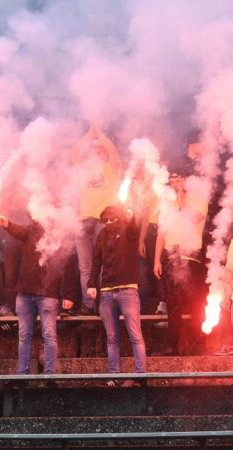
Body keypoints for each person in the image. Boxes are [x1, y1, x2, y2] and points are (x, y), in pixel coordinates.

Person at [0, 214, 75, 375]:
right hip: (25, 293)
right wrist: (7, 224)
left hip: (48, 294)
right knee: (24, 336)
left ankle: (50, 375)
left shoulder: (58, 235)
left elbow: (67, 266)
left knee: (49, 335)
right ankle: (22, 374)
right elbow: (18, 230)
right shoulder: (31, 230)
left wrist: (69, 294)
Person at [87, 205, 146, 385]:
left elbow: (134, 228)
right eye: (106, 220)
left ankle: (140, 375)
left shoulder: (128, 230)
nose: (109, 223)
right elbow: (96, 261)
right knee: (112, 337)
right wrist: (91, 284)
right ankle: (114, 375)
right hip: (106, 292)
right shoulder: (102, 235)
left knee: (135, 335)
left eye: (113, 219)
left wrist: (130, 217)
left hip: (127, 290)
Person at [154, 169, 208, 355]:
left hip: (191, 257)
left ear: (186, 180)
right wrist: (156, 261)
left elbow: (193, 218)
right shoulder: (165, 203)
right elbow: (161, 233)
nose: (174, 182)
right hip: (171, 257)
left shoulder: (198, 198)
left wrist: (180, 197)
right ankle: (172, 345)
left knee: (195, 303)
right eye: (172, 179)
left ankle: (198, 345)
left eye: (178, 178)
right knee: (173, 304)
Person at [73, 127, 120, 314]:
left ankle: (103, 305)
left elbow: (115, 153)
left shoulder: (111, 168)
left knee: (102, 266)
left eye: (100, 151)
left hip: (104, 222)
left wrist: (100, 133)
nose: (95, 153)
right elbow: (74, 153)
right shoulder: (84, 168)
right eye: (93, 150)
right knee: (85, 267)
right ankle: (89, 304)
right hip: (83, 221)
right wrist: (89, 134)